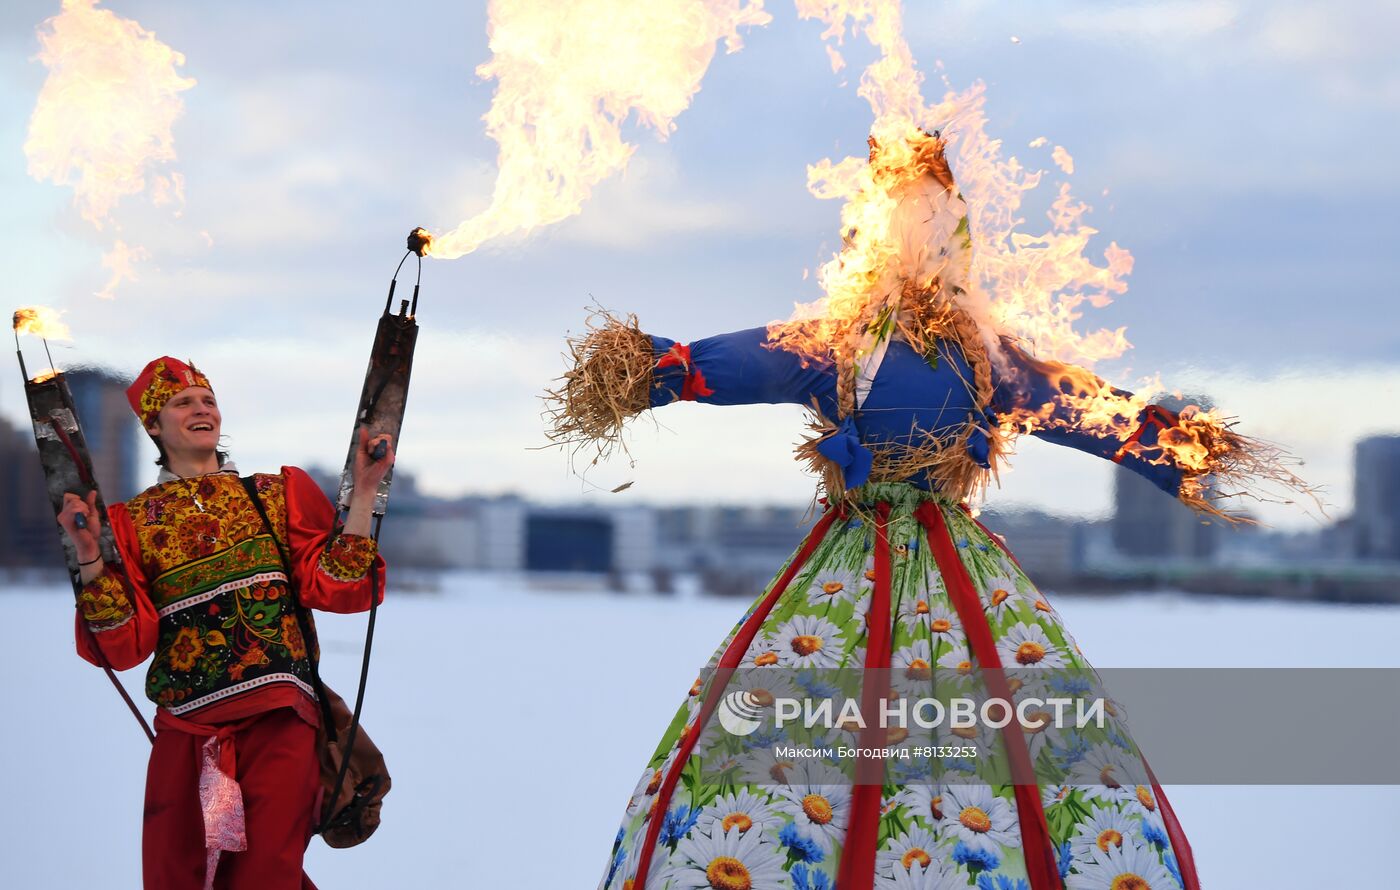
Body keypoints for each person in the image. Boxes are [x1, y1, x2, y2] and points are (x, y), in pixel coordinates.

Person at [546, 134, 1261, 890]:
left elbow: (1076, 407)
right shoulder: (896, 347)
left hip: (882, 560)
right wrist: (1169, 443)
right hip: (911, 557)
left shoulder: (935, 350)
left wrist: (658, 369)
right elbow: (1081, 409)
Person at [57, 356, 393, 890]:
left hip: (279, 722)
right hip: (191, 735)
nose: (201, 409)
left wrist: (366, 492)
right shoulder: (128, 523)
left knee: (263, 873)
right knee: (190, 878)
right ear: (153, 426)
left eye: (208, 400)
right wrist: (89, 554)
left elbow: (338, 586)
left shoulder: (276, 495)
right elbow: (123, 646)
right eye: (183, 403)